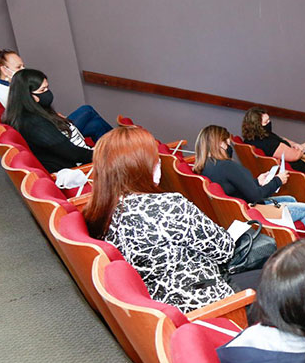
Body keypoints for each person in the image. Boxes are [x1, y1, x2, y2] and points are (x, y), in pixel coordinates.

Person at [83, 126, 254, 311]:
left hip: (160, 303)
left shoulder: (99, 210)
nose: (158, 163)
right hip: (205, 299)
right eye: (155, 159)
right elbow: (224, 250)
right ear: (140, 166)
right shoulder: (169, 205)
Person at [193, 125, 305, 234]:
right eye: (228, 143)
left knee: (290, 199)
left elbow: (233, 187)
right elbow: (256, 196)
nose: (229, 146)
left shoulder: (206, 166)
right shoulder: (227, 166)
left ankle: (293, 241)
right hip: (250, 212)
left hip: (237, 210)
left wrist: (257, 181)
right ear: (221, 144)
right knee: (304, 209)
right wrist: (278, 180)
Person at [0, 47, 112, 140]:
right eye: (18, 67)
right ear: (4, 70)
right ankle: (124, 143)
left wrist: (54, 116)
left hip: (49, 126)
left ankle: (119, 148)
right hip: (49, 134)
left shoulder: (5, 87)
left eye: (23, 66)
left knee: (97, 125)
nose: (24, 70)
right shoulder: (8, 93)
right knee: (87, 110)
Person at [2, 69, 94, 173]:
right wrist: (103, 155)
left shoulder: (24, 113)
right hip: (72, 170)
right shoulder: (35, 124)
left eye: (47, 88)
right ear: (28, 96)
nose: (47, 93)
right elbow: (74, 154)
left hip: (68, 159)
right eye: (42, 90)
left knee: (95, 125)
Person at [240, 107, 305, 183]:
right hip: (297, 174)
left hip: (290, 168)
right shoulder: (268, 143)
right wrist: (302, 147)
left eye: (269, 120)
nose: (269, 123)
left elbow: (281, 139)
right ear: (257, 126)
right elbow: (295, 156)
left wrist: (295, 144)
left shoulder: (253, 138)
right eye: (266, 122)